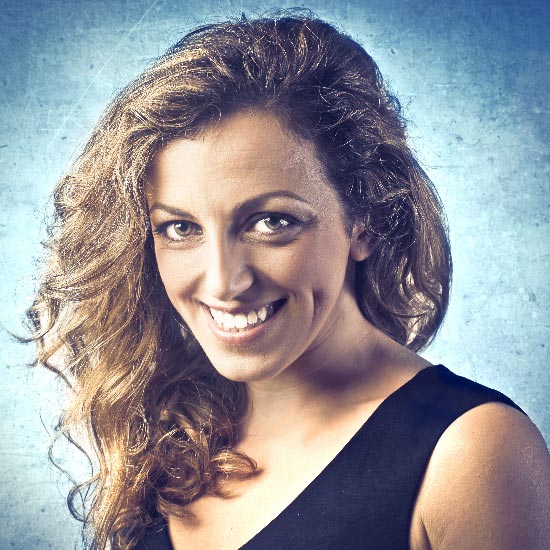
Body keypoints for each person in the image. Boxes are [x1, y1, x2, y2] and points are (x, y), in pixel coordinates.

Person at [27, 12, 549, 550]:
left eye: (271, 222)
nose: (224, 283)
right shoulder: (169, 437)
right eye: (180, 228)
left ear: (365, 222)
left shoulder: (472, 450)